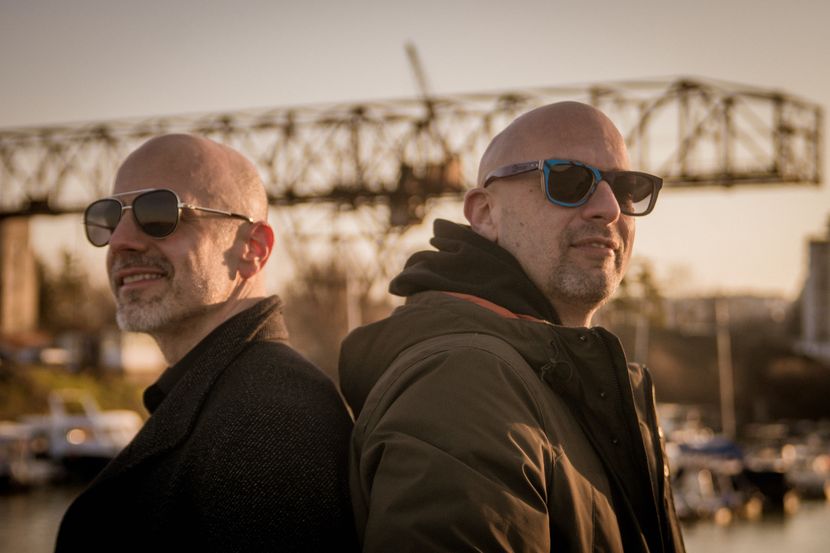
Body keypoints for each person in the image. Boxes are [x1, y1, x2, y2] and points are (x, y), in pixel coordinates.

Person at [340, 102, 686, 552]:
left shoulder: (542, 377)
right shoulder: (463, 385)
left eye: (627, 189)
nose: (608, 209)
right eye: (569, 180)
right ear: (484, 213)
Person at [56, 134, 358, 552]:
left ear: (252, 248)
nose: (120, 241)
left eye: (159, 212)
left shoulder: (271, 423)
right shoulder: (226, 398)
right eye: (109, 217)